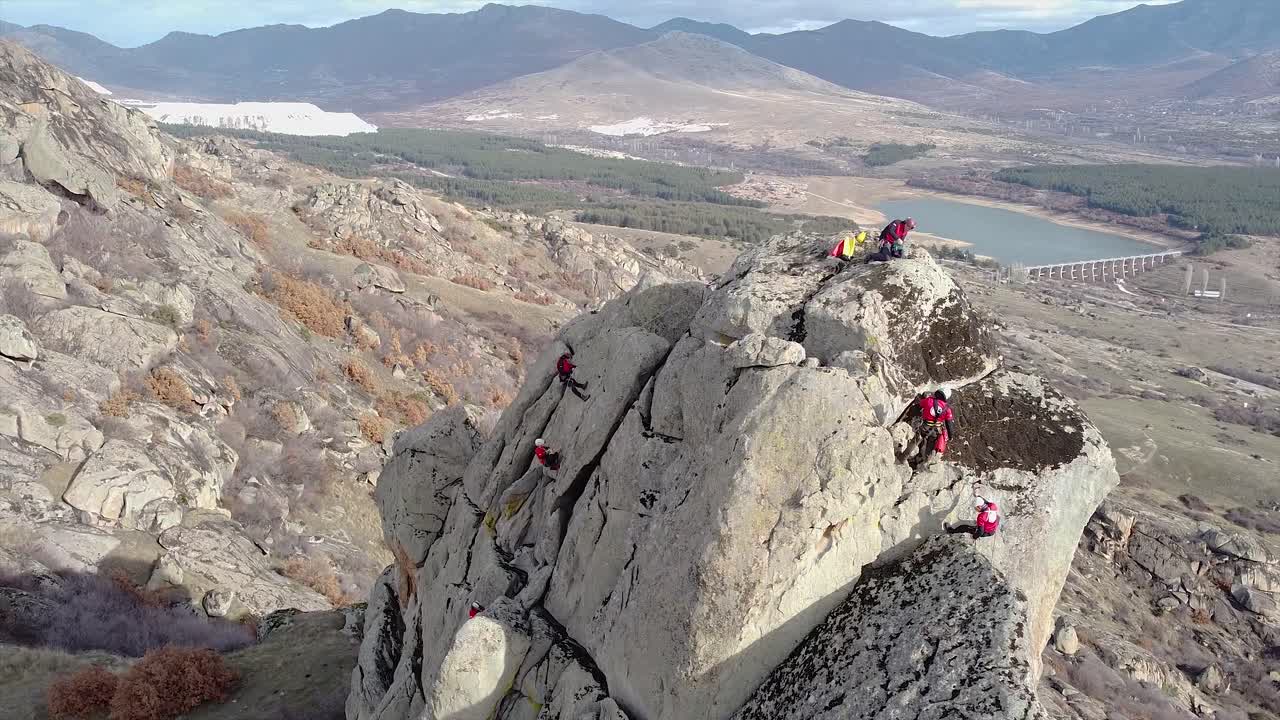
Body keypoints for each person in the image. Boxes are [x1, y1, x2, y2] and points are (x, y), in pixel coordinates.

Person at [914, 388, 955, 464]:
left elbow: (919, 404)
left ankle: (911, 456)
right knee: (930, 446)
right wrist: (951, 436)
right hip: (936, 430)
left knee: (918, 440)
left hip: (925, 426)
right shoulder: (947, 409)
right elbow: (949, 424)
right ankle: (924, 461)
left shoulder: (929, 400)